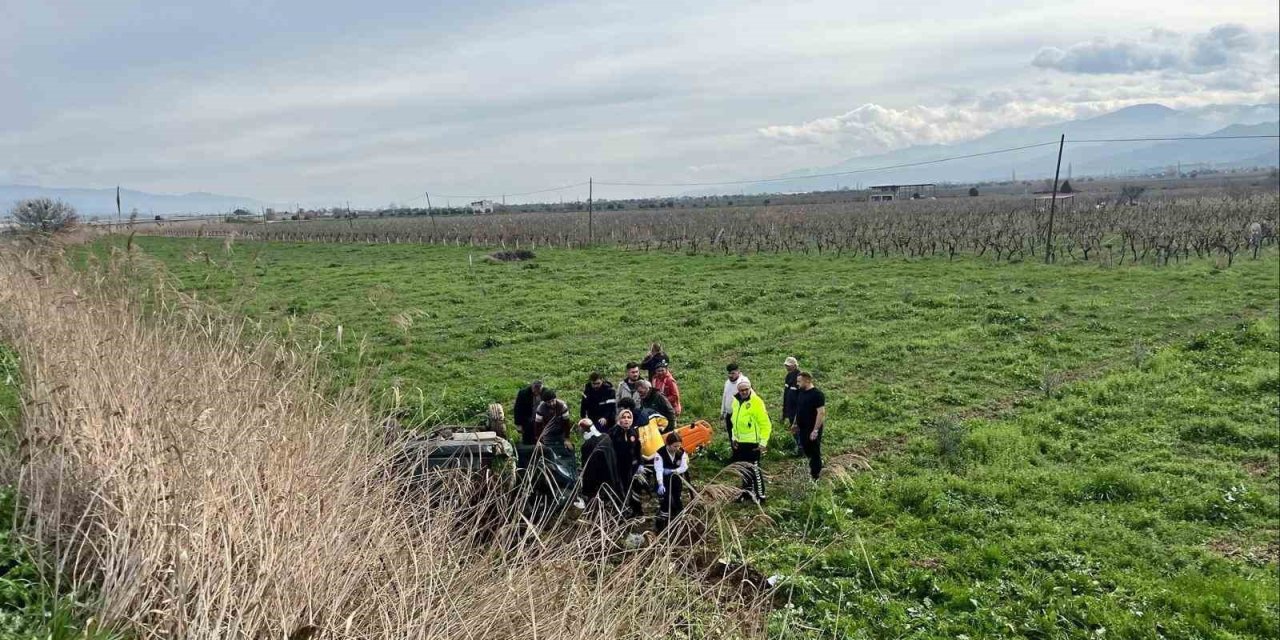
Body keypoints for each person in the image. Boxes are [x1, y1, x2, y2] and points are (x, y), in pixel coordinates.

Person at [730, 379, 771, 503]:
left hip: (753, 442)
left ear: (750, 388)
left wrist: (763, 442)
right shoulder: (736, 401)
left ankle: (760, 495)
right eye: (741, 390)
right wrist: (734, 438)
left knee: (755, 469)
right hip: (740, 441)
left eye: (746, 390)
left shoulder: (757, 402)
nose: (744, 392)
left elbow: (765, 424)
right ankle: (747, 492)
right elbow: (734, 422)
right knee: (743, 469)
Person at [792, 372, 827, 480]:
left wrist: (815, 430)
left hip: (812, 428)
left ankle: (816, 476)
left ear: (807, 381)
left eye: (799, 381)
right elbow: (798, 409)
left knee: (814, 452)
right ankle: (813, 469)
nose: (797, 384)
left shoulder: (817, 394)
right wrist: (795, 423)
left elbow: (821, 413)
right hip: (802, 428)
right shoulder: (801, 392)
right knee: (806, 449)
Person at [609, 408, 644, 516]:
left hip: (632, 466)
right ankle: (621, 511)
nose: (626, 420)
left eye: (629, 417)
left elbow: (638, 450)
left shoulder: (633, 432)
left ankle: (636, 511)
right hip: (618, 467)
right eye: (623, 417)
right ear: (619, 419)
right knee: (621, 489)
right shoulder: (613, 432)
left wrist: (640, 463)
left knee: (635, 489)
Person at [578, 419, 622, 503]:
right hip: (612, 479)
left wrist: (587, 489)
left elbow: (588, 468)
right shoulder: (606, 437)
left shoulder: (587, 445)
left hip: (598, 483)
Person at [653, 431, 689, 533]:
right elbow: (659, 470)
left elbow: (684, 467)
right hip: (664, 480)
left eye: (678, 446)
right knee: (665, 500)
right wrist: (660, 484)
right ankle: (661, 525)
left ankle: (680, 522)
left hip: (676, 478)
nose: (677, 448)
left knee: (677, 498)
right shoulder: (660, 453)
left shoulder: (681, 452)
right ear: (668, 444)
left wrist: (673, 471)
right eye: (674, 446)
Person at [513, 380, 544, 445]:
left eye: (538, 391)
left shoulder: (545, 393)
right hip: (528, 420)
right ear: (532, 388)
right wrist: (518, 424)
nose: (536, 393)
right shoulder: (523, 393)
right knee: (528, 439)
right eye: (535, 391)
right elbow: (518, 409)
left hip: (540, 420)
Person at [782, 357, 802, 456]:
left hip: (798, 409)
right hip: (790, 409)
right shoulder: (788, 376)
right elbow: (786, 394)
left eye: (789, 366)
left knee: (798, 428)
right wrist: (784, 411)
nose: (787, 367)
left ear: (794, 365)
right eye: (786, 365)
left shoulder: (800, 377)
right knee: (793, 428)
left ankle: (802, 449)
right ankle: (799, 447)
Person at [721, 364, 749, 434]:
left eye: (733, 373)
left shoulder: (743, 383)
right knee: (731, 433)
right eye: (729, 373)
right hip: (729, 414)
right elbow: (725, 397)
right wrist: (723, 412)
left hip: (740, 415)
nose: (730, 375)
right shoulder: (727, 382)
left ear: (738, 372)